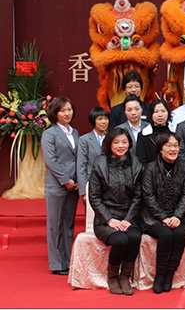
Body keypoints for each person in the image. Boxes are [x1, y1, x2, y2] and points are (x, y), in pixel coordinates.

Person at [88, 128, 144, 295]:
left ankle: (125, 276)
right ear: (109, 144)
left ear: (129, 144)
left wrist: (128, 219)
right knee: (120, 240)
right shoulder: (100, 163)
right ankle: (112, 277)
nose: (121, 146)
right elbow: (94, 197)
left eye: (124, 142)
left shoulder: (135, 163)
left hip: (129, 216)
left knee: (134, 237)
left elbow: (138, 196)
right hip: (105, 219)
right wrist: (109, 219)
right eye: (116, 142)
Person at [141, 132, 185, 294]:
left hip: (177, 216)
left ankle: (170, 273)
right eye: (168, 146)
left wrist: (177, 216)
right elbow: (148, 196)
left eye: (175, 145)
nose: (173, 149)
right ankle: (160, 275)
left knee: (180, 233)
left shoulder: (184, 168)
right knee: (166, 234)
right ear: (160, 149)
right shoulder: (150, 168)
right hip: (152, 217)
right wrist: (163, 217)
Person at [41, 97, 80, 276]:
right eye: (63, 110)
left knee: (67, 224)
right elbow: (51, 160)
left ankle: (67, 260)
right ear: (55, 113)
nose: (67, 113)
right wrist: (65, 180)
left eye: (69, 109)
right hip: (57, 185)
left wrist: (77, 181)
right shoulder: (49, 133)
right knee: (55, 224)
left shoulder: (75, 132)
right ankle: (57, 263)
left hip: (74, 185)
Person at [77, 107, 109, 202]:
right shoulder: (84, 140)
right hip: (91, 183)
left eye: (106, 118)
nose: (104, 122)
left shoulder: (111, 138)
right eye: (100, 119)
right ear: (93, 121)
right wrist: (84, 191)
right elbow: (81, 166)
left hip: (109, 185)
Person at [136, 99, 171, 166]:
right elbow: (141, 160)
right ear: (151, 114)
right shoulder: (144, 135)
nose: (160, 115)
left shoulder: (174, 133)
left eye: (163, 111)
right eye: (156, 111)